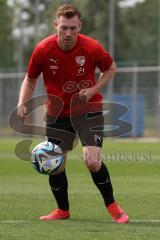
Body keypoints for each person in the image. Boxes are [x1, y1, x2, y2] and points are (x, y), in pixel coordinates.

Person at [17, 4, 129, 223]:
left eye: (73, 29)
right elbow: (30, 79)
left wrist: (94, 90)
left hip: (89, 110)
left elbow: (111, 68)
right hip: (57, 113)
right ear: (56, 25)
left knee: (92, 161)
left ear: (80, 27)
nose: (68, 34)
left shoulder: (92, 47)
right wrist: (22, 102)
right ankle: (63, 211)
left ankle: (113, 207)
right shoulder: (43, 49)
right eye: (64, 28)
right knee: (54, 164)